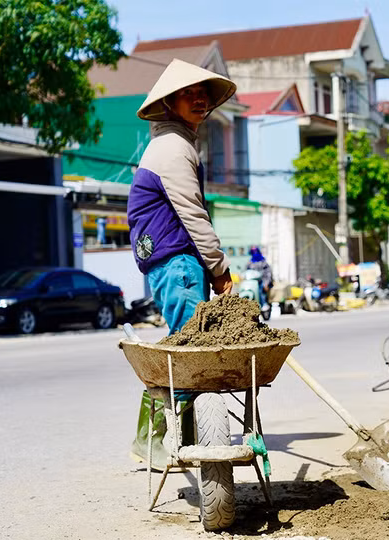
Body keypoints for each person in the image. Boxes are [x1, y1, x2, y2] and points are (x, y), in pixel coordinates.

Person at [126, 59, 237, 469]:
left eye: (202, 93)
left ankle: (174, 441)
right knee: (191, 355)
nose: (199, 99)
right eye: (188, 93)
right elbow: (193, 214)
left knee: (184, 350)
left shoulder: (174, 143)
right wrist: (220, 270)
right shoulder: (173, 147)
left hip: (174, 262)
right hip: (179, 262)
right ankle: (159, 442)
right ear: (170, 102)